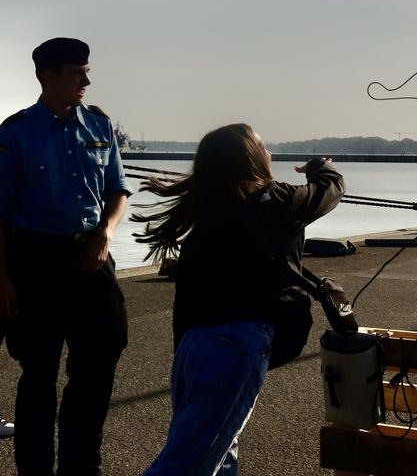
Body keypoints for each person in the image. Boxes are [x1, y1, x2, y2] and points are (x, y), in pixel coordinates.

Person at [133, 123, 344, 475]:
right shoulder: (277, 201)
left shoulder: (208, 207)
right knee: (188, 464)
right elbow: (329, 191)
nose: (271, 154)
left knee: (219, 453)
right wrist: (321, 167)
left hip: (193, 346)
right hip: (236, 346)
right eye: (264, 148)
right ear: (251, 159)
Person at [0, 37, 132, 475]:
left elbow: (117, 190)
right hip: (36, 263)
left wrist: (107, 235)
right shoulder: (15, 134)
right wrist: (2, 280)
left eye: (86, 71)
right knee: (38, 377)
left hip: (92, 257)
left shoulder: (99, 126)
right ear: (47, 76)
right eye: (78, 73)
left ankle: (81, 469)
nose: (86, 80)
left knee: (96, 373)